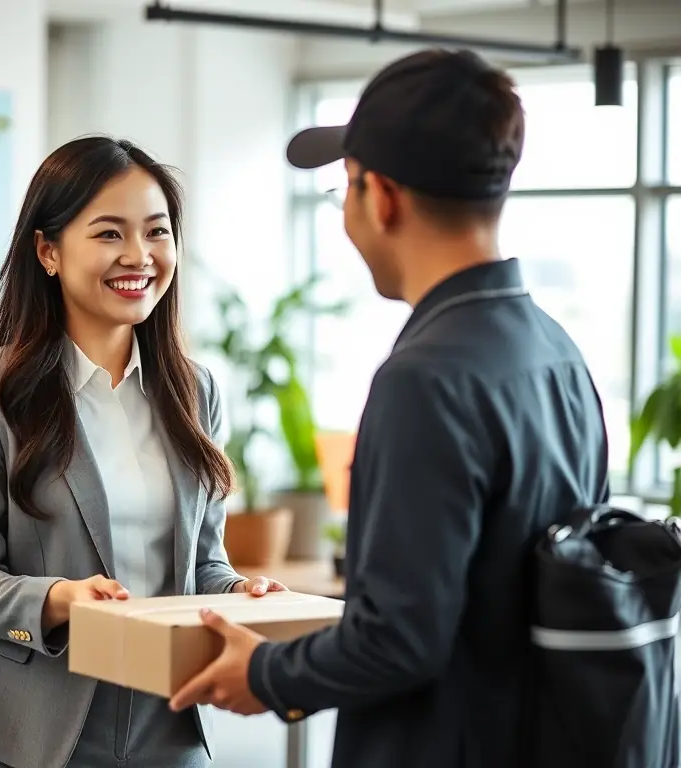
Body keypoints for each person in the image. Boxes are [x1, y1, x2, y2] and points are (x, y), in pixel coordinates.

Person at [168, 48, 610, 768]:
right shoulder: (555, 350)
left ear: (381, 197)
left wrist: (263, 672)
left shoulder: (427, 378)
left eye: (345, 187)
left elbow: (399, 639)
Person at [0, 135, 287, 768]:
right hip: (36, 722)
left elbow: (202, 564)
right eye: (109, 234)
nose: (139, 256)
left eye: (156, 232)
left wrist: (238, 591)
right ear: (48, 251)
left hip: (166, 716)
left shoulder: (195, 391)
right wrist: (59, 598)